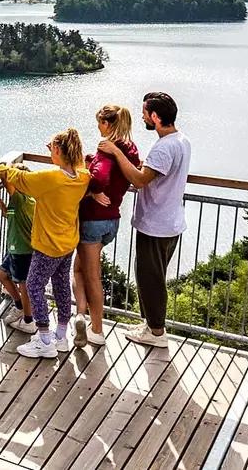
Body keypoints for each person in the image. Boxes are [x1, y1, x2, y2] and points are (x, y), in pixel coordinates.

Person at [0, 128, 89, 358]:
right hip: (67, 244)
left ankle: (44, 339)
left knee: (33, 286)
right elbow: (81, 170)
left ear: (59, 150)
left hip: (48, 245)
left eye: (51, 147)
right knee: (61, 286)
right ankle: (61, 336)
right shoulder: (82, 177)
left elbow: (20, 178)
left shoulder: (51, 179)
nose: (49, 150)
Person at [98, 92, 190, 348]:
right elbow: (154, 172)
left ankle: (157, 332)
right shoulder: (181, 140)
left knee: (150, 279)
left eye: (145, 113)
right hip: (171, 221)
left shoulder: (164, 146)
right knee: (153, 276)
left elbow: (139, 180)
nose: (142, 116)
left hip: (156, 223)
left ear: (156, 117)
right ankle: (151, 324)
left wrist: (116, 152)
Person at [73, 104, 139, 347]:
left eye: (100, 122)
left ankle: (97, 330)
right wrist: (90, 160)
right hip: (112, 220)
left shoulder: (106, 148)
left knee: (92, 276)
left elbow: (100, 176)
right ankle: (80, 317)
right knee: (78, 270)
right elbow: (122, 174)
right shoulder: (129, 148)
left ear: (108, 124)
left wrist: (92, 190)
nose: (98, 127)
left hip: (93, 219)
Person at [0, 192, 38, 334]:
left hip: (23, 249)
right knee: (1, 274)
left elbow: (6, 179)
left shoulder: (22, 199)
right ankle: (19, 307)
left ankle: (29, 321)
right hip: (15, 248)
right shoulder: (22, 200)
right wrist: (5, 210)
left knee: (24, 284)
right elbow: (17, 217)